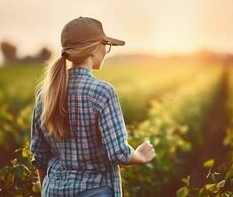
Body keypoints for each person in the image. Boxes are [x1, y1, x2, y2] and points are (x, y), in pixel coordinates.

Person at [30, 16, 155, 197]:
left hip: (52, 191)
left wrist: (47, 191)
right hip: (94, 191)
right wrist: (140, 156)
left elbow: (39, 156)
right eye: (106, 45)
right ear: (94, 49)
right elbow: (119, 153)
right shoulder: (102, 92)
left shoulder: (45, 94)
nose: (106, 50)